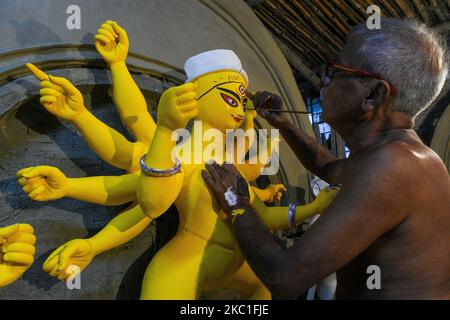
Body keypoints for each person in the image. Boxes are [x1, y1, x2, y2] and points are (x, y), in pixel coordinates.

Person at [202, 18, 450, 299]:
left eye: (336, 70)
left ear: (373, 94)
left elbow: (284, 277)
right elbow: (330, 168)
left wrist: (238, 204)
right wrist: (283, 123)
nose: (324, 79)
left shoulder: (396, 165)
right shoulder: (392, 154)